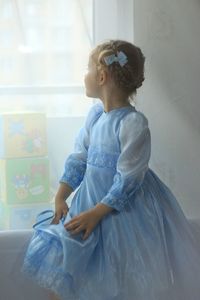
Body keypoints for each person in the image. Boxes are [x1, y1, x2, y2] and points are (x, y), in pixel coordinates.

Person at [21, 39, 200, 300]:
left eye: (87, 69)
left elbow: (129, 177)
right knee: (67, 270)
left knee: (117, 274)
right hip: (88, 203)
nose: (85, 75)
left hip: (123, 212)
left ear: (102, 76)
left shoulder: (132, 123)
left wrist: (97, 213)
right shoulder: (95, 117)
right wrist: (61, 194)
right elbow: (79, 158)